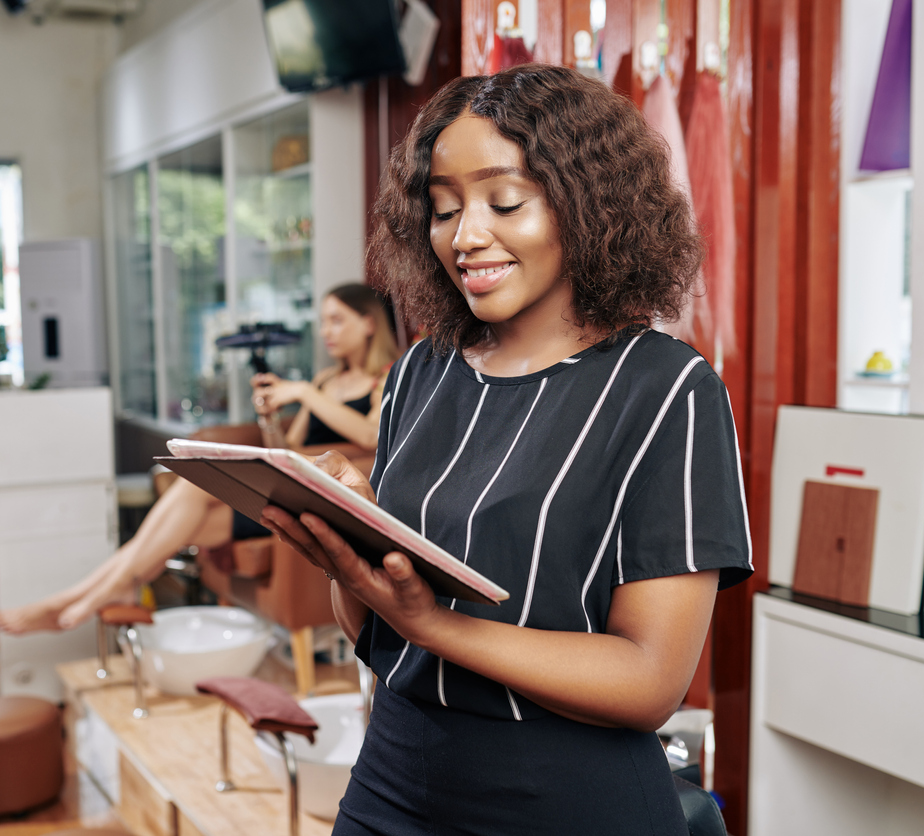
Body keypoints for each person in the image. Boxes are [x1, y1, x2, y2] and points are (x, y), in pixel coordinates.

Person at [260, 64, 753, 835]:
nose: (466, 236)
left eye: (505, 201)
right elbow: (373, 635)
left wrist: (435, 625)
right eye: (444, 208)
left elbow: (651, 680)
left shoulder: (665, 390)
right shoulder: (421, 372)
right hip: (392, 780)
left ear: (587, 205)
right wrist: (347, 543)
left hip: (564, 803)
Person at [0, 284, 402, 635]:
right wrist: (269, 418)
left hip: (317, 501)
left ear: (368, 323)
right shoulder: (326, 380)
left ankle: (83, 598)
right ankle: (89, 594)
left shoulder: (387, 377)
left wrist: (305, 394)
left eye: (337, 320)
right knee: (185, 520)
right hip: (288, 488)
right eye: (324, 320)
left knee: (189, 493)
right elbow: (287, 447)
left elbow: (370, 434)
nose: (326, 331)